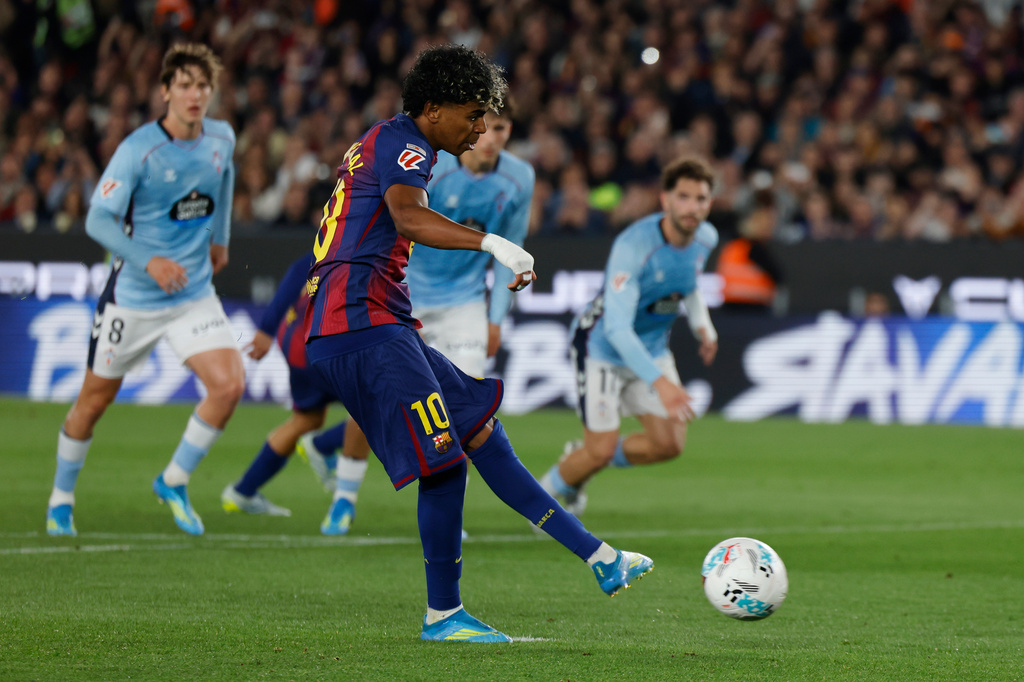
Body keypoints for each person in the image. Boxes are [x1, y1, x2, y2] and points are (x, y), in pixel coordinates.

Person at [303, 44, 653, 643]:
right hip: (361, 324)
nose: (480, 128)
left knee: (481, 432)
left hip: (373, 322)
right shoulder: (408, 145)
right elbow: (410, 218)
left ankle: (601, 558)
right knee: (444, 464)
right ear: (433, 108)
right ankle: (444, 616)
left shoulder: (388, 141)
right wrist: (491, 243)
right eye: (472, 115)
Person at [45, 44, 243, 537]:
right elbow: (97, 218)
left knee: (229, 385)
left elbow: (226, 177)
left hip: (193, 291)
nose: (194, 95)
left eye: (202, 86)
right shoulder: (138, 150)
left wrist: (220, 238)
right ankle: (61, 497)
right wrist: (148, 260)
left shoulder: (222, 137)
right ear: (165, 92)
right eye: (184, 85)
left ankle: (173, 480)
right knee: (93, 402)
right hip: (134, 296)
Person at [539, 157, 720, 517]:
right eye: (683, 197)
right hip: (601, 347)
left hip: (650, 347)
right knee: (600, 451)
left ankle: (581, 455)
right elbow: (617, 329)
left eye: (700, 199)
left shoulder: (706, 238)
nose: (692, 207)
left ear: (709, 203)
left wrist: (704, 326)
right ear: (665, 200)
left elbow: (688, 283)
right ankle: (539, 504)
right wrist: (662, 383)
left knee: (669, 444)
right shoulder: (633, 246)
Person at [220, 250, 372, 535]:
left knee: (307, 419)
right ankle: (330, 465)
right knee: (373, 408)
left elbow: (296, 272)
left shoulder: (330, 238)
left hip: (295, 340)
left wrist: (266, 329)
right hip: (324, 343)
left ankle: (243, 491)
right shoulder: (367, 239)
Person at [404, 101, 534, 378]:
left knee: (469, 402)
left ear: (508, 130)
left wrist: (495, 319)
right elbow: (402, 227)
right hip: (407, 296)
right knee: (389, 402)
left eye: (498, 128)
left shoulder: (520, 178)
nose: (489, 137)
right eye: (481, 125)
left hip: (464, 303)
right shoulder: (434, 166)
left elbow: (511, 249)